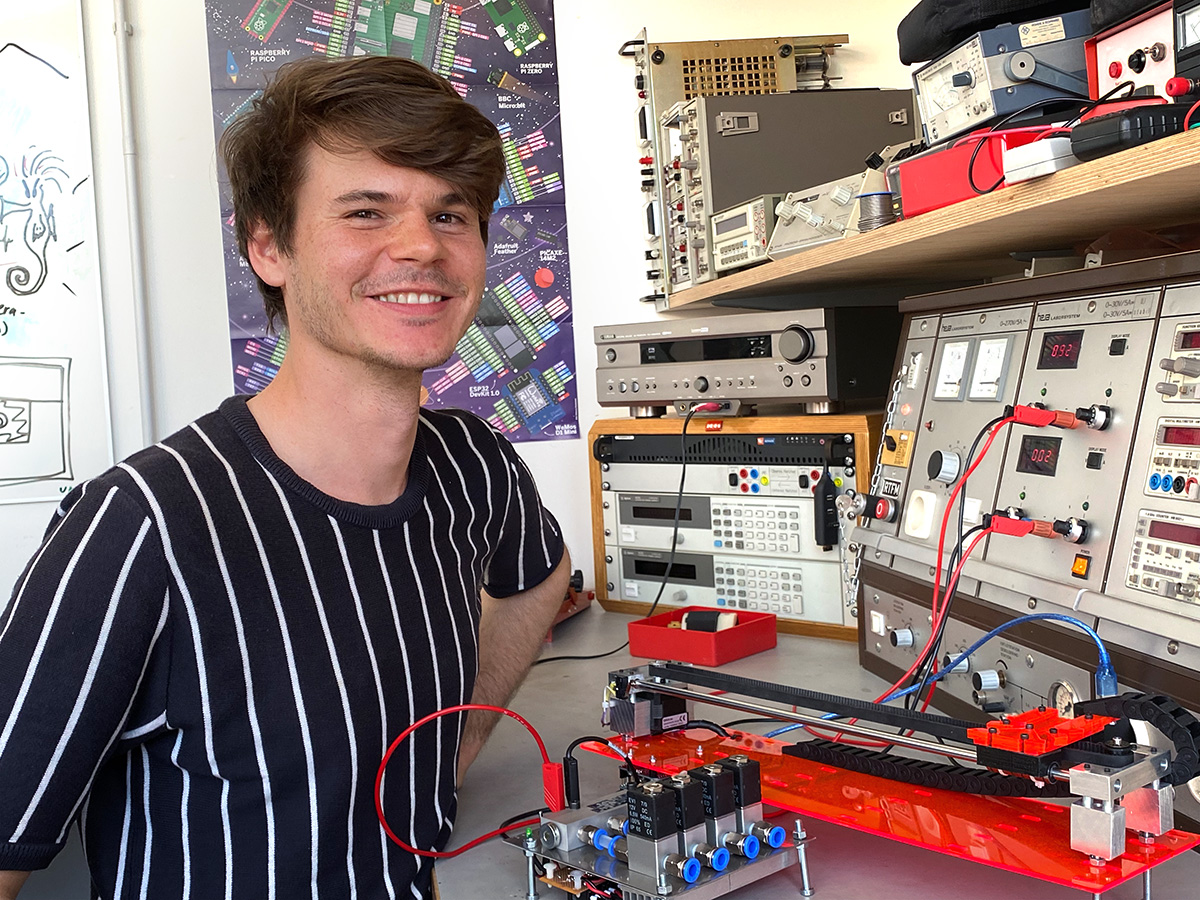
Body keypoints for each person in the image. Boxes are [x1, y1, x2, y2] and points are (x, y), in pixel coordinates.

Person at [0, 55, 569, 900]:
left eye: (451, 213)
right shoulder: (141, 524)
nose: (420, 246)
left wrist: (448, 754)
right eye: (366, 211)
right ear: (268, 244)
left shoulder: (474, 466)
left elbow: (538, 578)